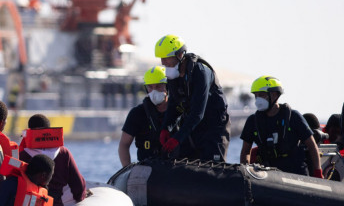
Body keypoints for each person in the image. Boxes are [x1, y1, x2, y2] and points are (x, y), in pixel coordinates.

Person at [155, 34, 230, 162]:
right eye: (162, 58)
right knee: (182, 160)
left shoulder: (200, 73)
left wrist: (177, 138)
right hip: (192, 125)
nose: (164, 62)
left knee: (211, 165)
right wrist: (165, 128)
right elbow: (173, 105)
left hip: (213, 126)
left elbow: (197, 113)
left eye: (167, 58)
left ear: (180, 55)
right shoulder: (173, 75)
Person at [238, 76, 322, 177]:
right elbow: (245, 151)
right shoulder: (253, 121)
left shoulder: (294, 117)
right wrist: (246, 173)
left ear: (274, 95)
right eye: (256, 96)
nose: (258, 99)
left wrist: (318, 172)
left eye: (261, 95)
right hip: (268, 175)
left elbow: (312, 146)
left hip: (296, 172)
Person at [19, 114, 87, 206]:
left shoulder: (23, 155)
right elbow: (78, 187)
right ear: (49, 131)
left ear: (29, 132)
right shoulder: (64, 153)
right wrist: (82, 196)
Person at [118, 66, 168, 167]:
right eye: (150, 87)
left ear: (168, 86)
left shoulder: (178, 111)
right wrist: (127, 169)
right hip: (146, 168)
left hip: (175, 167)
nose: (154, 91)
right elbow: (124, 145)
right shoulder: (137, 113)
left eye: (158, 86)